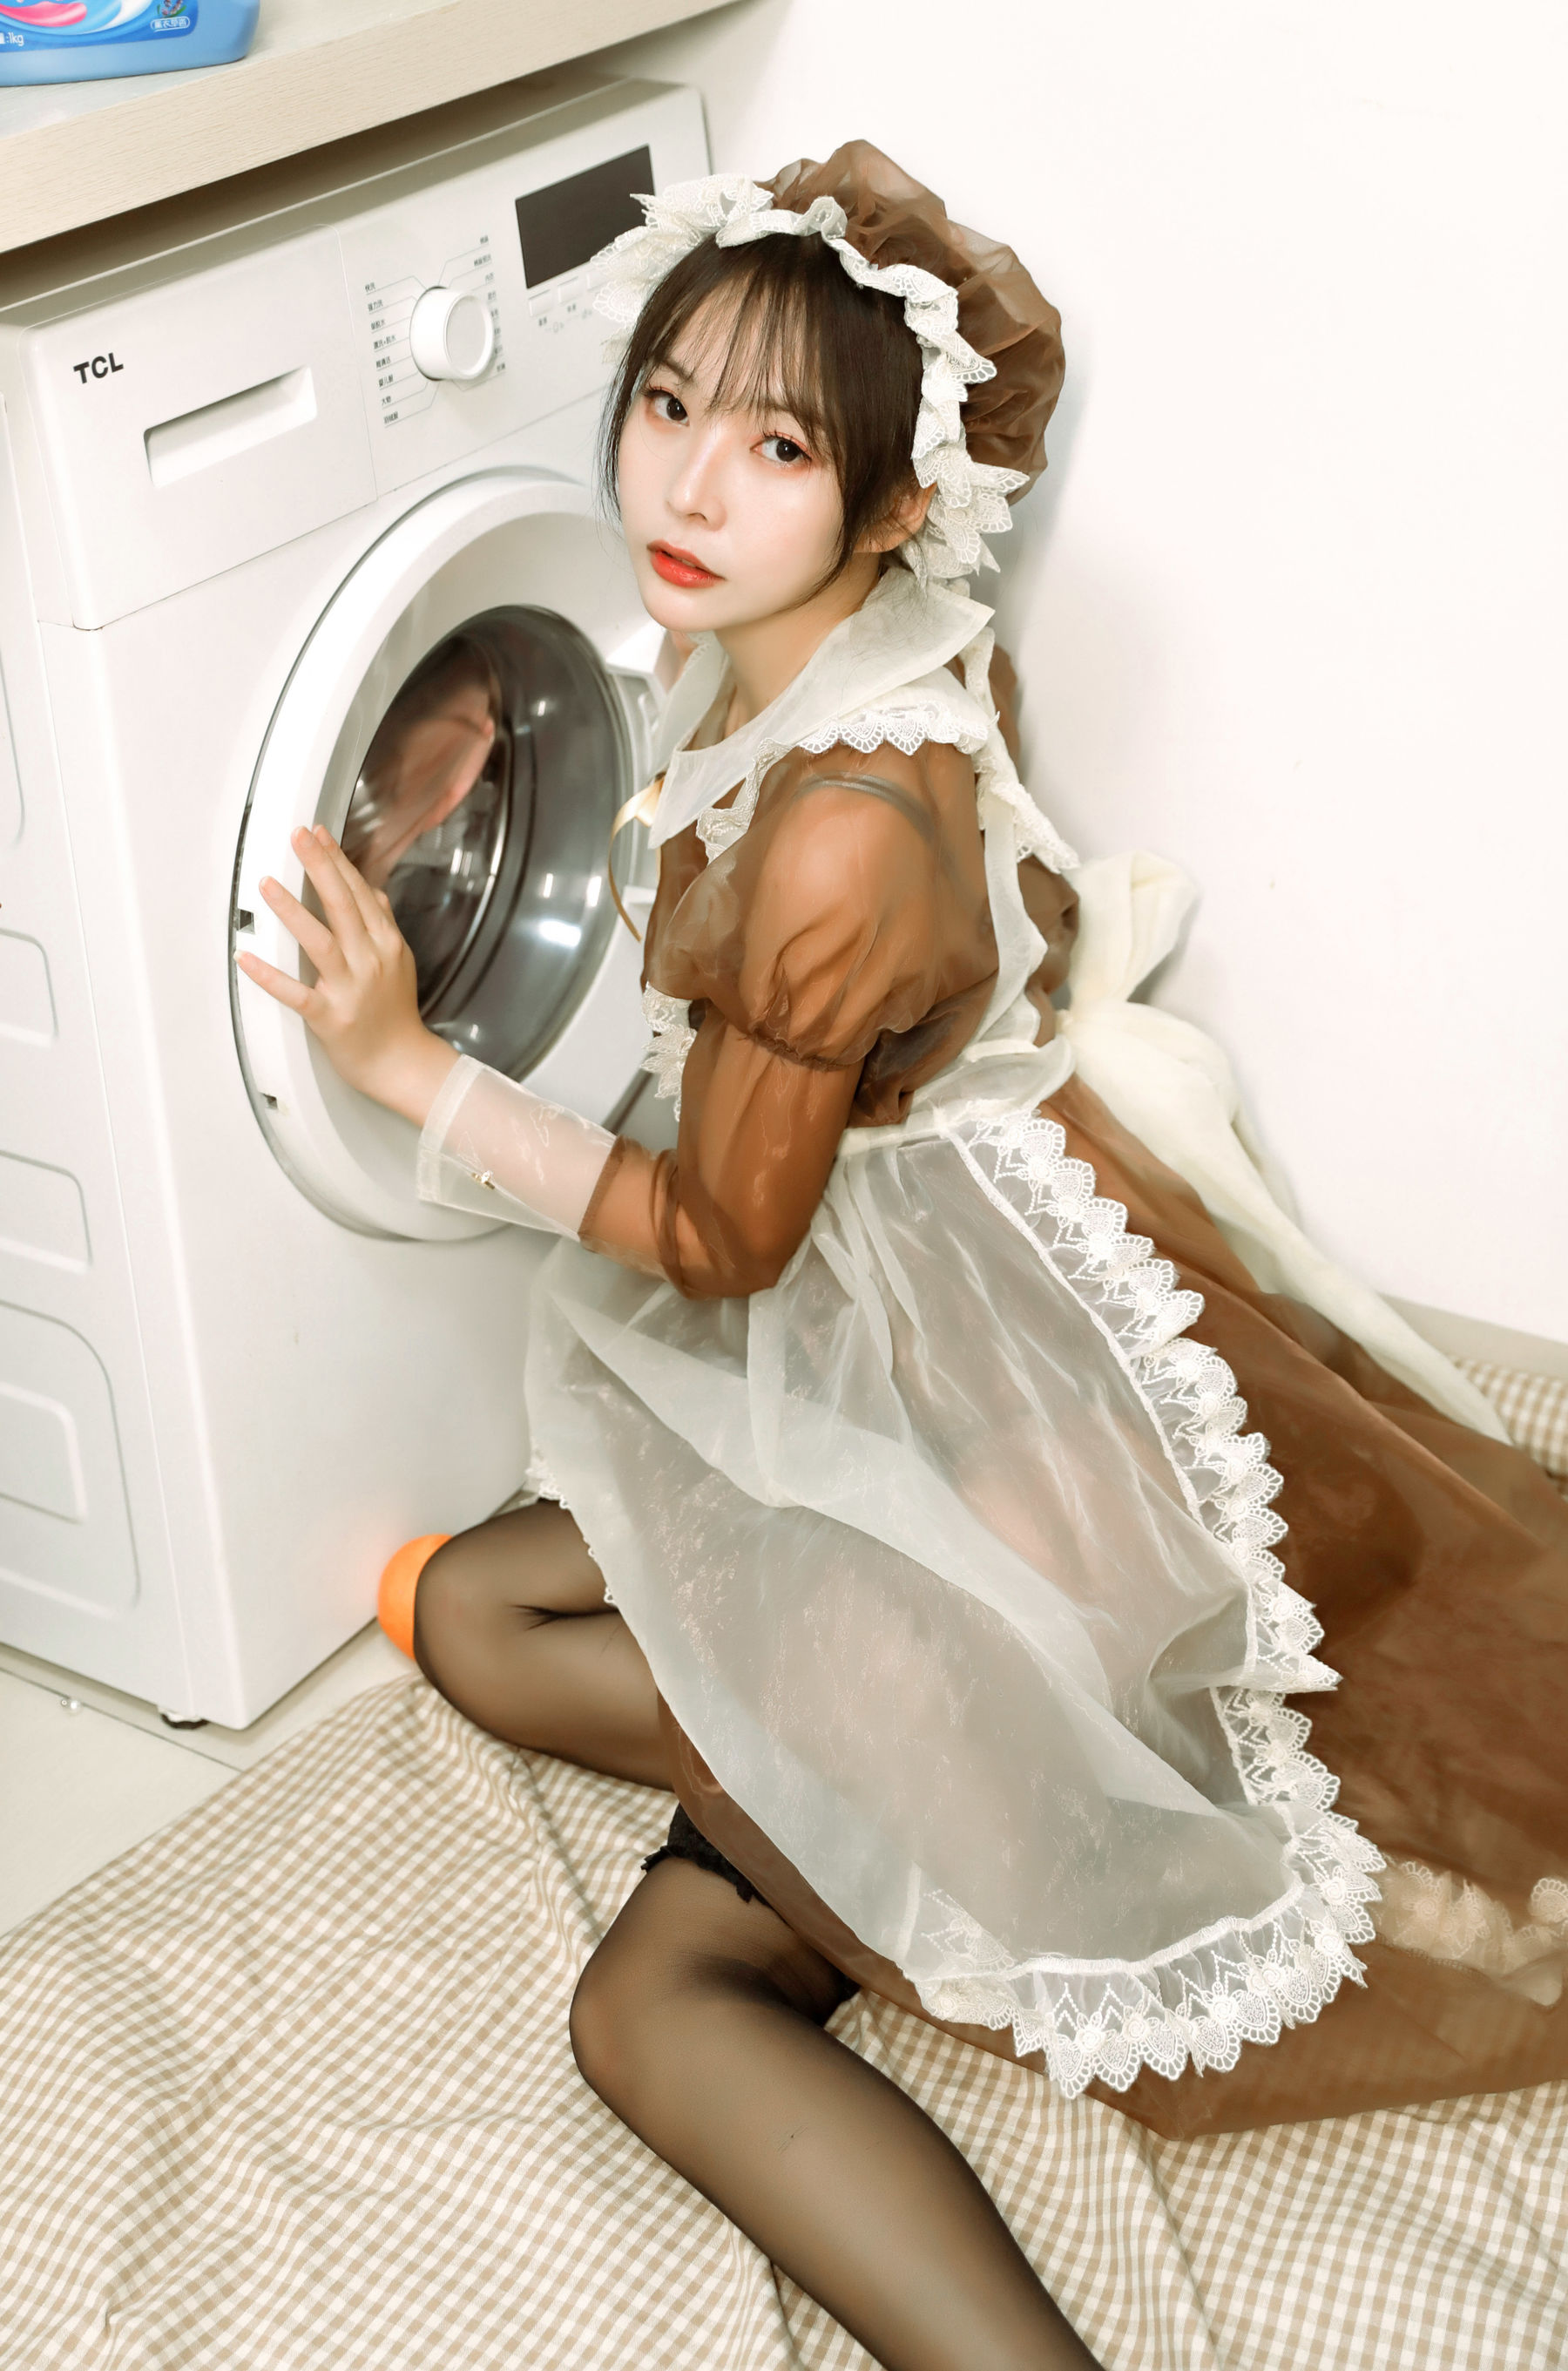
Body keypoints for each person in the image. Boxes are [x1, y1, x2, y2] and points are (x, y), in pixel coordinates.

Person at [239, 146, 1568, 2371]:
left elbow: (722, 1239)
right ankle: (902, 1740)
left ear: (894, 496)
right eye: (670, 404)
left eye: (777, 448)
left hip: (982, 1439)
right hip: (960, 1345)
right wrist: (463, 756)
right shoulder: (847, 657)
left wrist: (406, 1068)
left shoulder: (843, 831)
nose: (687, 482)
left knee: (652, 2005)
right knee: (471, 1609)